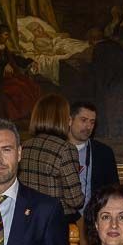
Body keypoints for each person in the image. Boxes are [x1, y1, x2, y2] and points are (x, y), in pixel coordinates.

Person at [17, 93, 85, 222]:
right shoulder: (65, 148)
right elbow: (75, 199)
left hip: (27, 218)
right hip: (55, 220)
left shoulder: (24, 146)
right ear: (62, 119)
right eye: (67, 116)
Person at [66, 101, 120, 220]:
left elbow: (113, 191)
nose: (88, 126)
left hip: (94, 220)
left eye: (92, 122)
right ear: (70, 120)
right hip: (62, 219)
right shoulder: (57, 150)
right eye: (83, 120)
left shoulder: (104, 153)